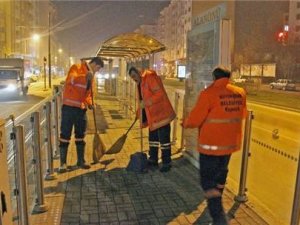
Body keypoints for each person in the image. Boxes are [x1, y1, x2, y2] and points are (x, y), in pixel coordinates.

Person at [182, 66, 247, 225]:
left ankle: (218, 216)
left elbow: (196, 119)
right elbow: (243, 114)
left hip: (211, 145)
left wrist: (185, 123)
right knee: (221, 172)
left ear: (214, 77)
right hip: (229, 144)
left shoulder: (208, 93)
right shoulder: (240, 93)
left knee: (207, 181)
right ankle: (219, 194)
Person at [58, 57, 104, 173]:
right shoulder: (76, 68)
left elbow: (88, 94)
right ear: (94, 64)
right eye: (97, 68)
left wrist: (90, 103)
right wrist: (85, 77)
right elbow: (71, 80)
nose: (97, 71)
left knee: (80, 135)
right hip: (69, 108)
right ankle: (63, 164)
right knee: (65, 135)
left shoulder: (91, 77)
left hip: (81, 109)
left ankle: (81, 161)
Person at [128, 67, 176, 172]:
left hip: (162, 114)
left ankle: (166, 163)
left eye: (134, 76)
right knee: (153, 140)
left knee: (164, 141)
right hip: (153, 116)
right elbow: (142, 100)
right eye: (132, 78)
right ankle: (153, 159)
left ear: (139, 72)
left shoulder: (150, 78)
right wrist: (138, 113)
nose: (134, 79)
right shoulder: (140, 83)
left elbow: (159, 94)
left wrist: (146, 103)